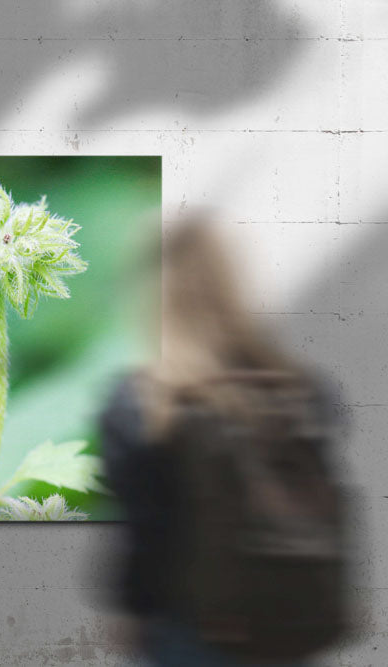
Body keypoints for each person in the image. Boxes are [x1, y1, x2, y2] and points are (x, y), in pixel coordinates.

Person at [100, 220, 348, 666]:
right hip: (291, 626)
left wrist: (132, 610)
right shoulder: (303, 390)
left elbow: (144, 537)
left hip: (193, 632)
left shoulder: (144, 403)